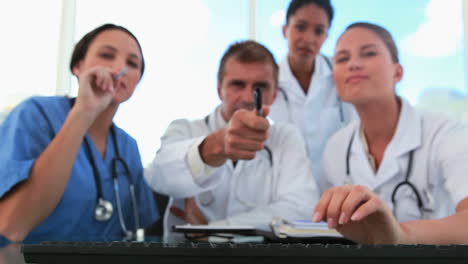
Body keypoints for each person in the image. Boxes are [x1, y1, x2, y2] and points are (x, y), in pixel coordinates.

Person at [0, 24, 158, 243]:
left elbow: (141, 232)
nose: (120, 67)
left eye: (132, 63)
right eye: (106, 55)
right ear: (78, 66)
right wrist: (84, 112)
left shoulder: (127, 147)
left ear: (137, 81)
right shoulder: (35, 115)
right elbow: (10, 226)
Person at [313, 22, 468, 244]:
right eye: (342, 59)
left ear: (398, 72)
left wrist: (401, 234)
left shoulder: (445, 134)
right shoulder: (336, 148)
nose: (354, 64)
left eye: (368, 53)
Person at [145, 40, 318, 239]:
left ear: (275, 94)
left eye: (260, 86)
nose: (248, 97)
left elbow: (302, 207)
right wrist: (214, 148)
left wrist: (213, 232)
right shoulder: (184, 129)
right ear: (220, 89)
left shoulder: (286, 137)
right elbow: (158, 176)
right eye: (237, 84)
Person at [269, 0, 356, 183]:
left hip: (339, 189)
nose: (308, 39)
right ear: (285, 30)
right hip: (286, 191)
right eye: (300, 27)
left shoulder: (343, 75)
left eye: (318, 31)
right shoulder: (267, 82)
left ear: (326, 36)